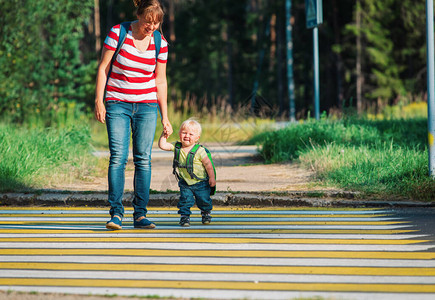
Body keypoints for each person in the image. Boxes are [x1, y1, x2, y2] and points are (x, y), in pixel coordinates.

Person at [94, 0, 172, 230]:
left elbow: (160, 80)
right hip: (117, 103)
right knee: (118, 157)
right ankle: (116, 214)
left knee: (143, 159)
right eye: (148, 22)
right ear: (139, 15)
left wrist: (164, 116)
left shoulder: (161, 43)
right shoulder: (118, 33)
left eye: (156, 23)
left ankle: (140, 215)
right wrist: (99, 101)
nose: (152, 27)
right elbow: (103, 68)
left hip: (147, 106)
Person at [158, 119, 216, 227]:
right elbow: (162, 145)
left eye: (191, 134)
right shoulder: (177, 147)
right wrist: (164, 134)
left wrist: (212, 179)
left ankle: (206, 213)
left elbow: (208, 165)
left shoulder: (200, 151)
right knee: (185, 200)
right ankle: (184, 217)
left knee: (203, 200)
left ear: (197, 138)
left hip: (201, 182)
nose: (187, 136)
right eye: (184, 133)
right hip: (185, 182)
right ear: (179, 134)